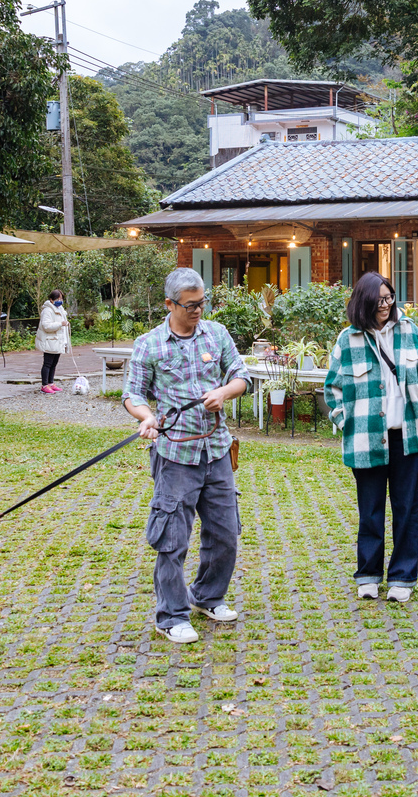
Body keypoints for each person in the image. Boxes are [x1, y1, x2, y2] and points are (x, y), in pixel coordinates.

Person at [123, 267, 250, 644]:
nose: (198, 311)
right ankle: (171, 615)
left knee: (226, 533)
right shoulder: (149, 344)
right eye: (190, 305)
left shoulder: (217, 334)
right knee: (172, 540)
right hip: (175, 453)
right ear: (170, 304)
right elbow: (132, 394)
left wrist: (225, 392)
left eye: (202, 303)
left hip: (217, 450)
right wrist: (147, 418)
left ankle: (208, 597)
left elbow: (241, 376)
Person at [322, 272, 418, 604]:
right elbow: (331, 388)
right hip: (365, 436)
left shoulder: (410, 332)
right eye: (379, 300)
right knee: (370, 509)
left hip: (407, 435)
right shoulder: (348, 339)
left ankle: (403, 577)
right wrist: (344, 419)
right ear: (364, 302)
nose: (386, 305)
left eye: (389, 298)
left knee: (406, 508)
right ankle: (368, 575)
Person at [36, 289, 70, 393]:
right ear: (51, 300)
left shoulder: (60, 309)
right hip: (49, 341)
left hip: (58, 340)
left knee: (54, 363)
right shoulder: (47, 310)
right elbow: (46, 326)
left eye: (61, 298)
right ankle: (44, 385)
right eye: (57, 299)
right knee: (47, 363)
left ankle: (51, 383)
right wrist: (61, 324)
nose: (60, 300)